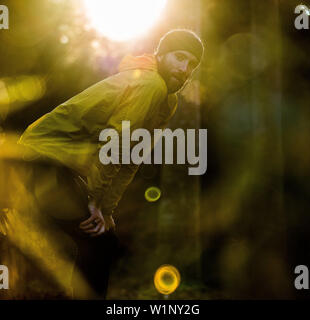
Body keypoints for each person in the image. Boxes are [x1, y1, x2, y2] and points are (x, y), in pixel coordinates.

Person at [18, 29, 204, 298]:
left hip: (66, 164)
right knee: (97, 242)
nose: (185, 69)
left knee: (99, 238)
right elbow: (116, 145)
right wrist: (94, 201)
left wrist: (106, 209)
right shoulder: (150, 85)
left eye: (192, 64)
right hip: (42, 156)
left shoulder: (168, 99)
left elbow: (132, 157)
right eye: (179, 57)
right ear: (161, 55)